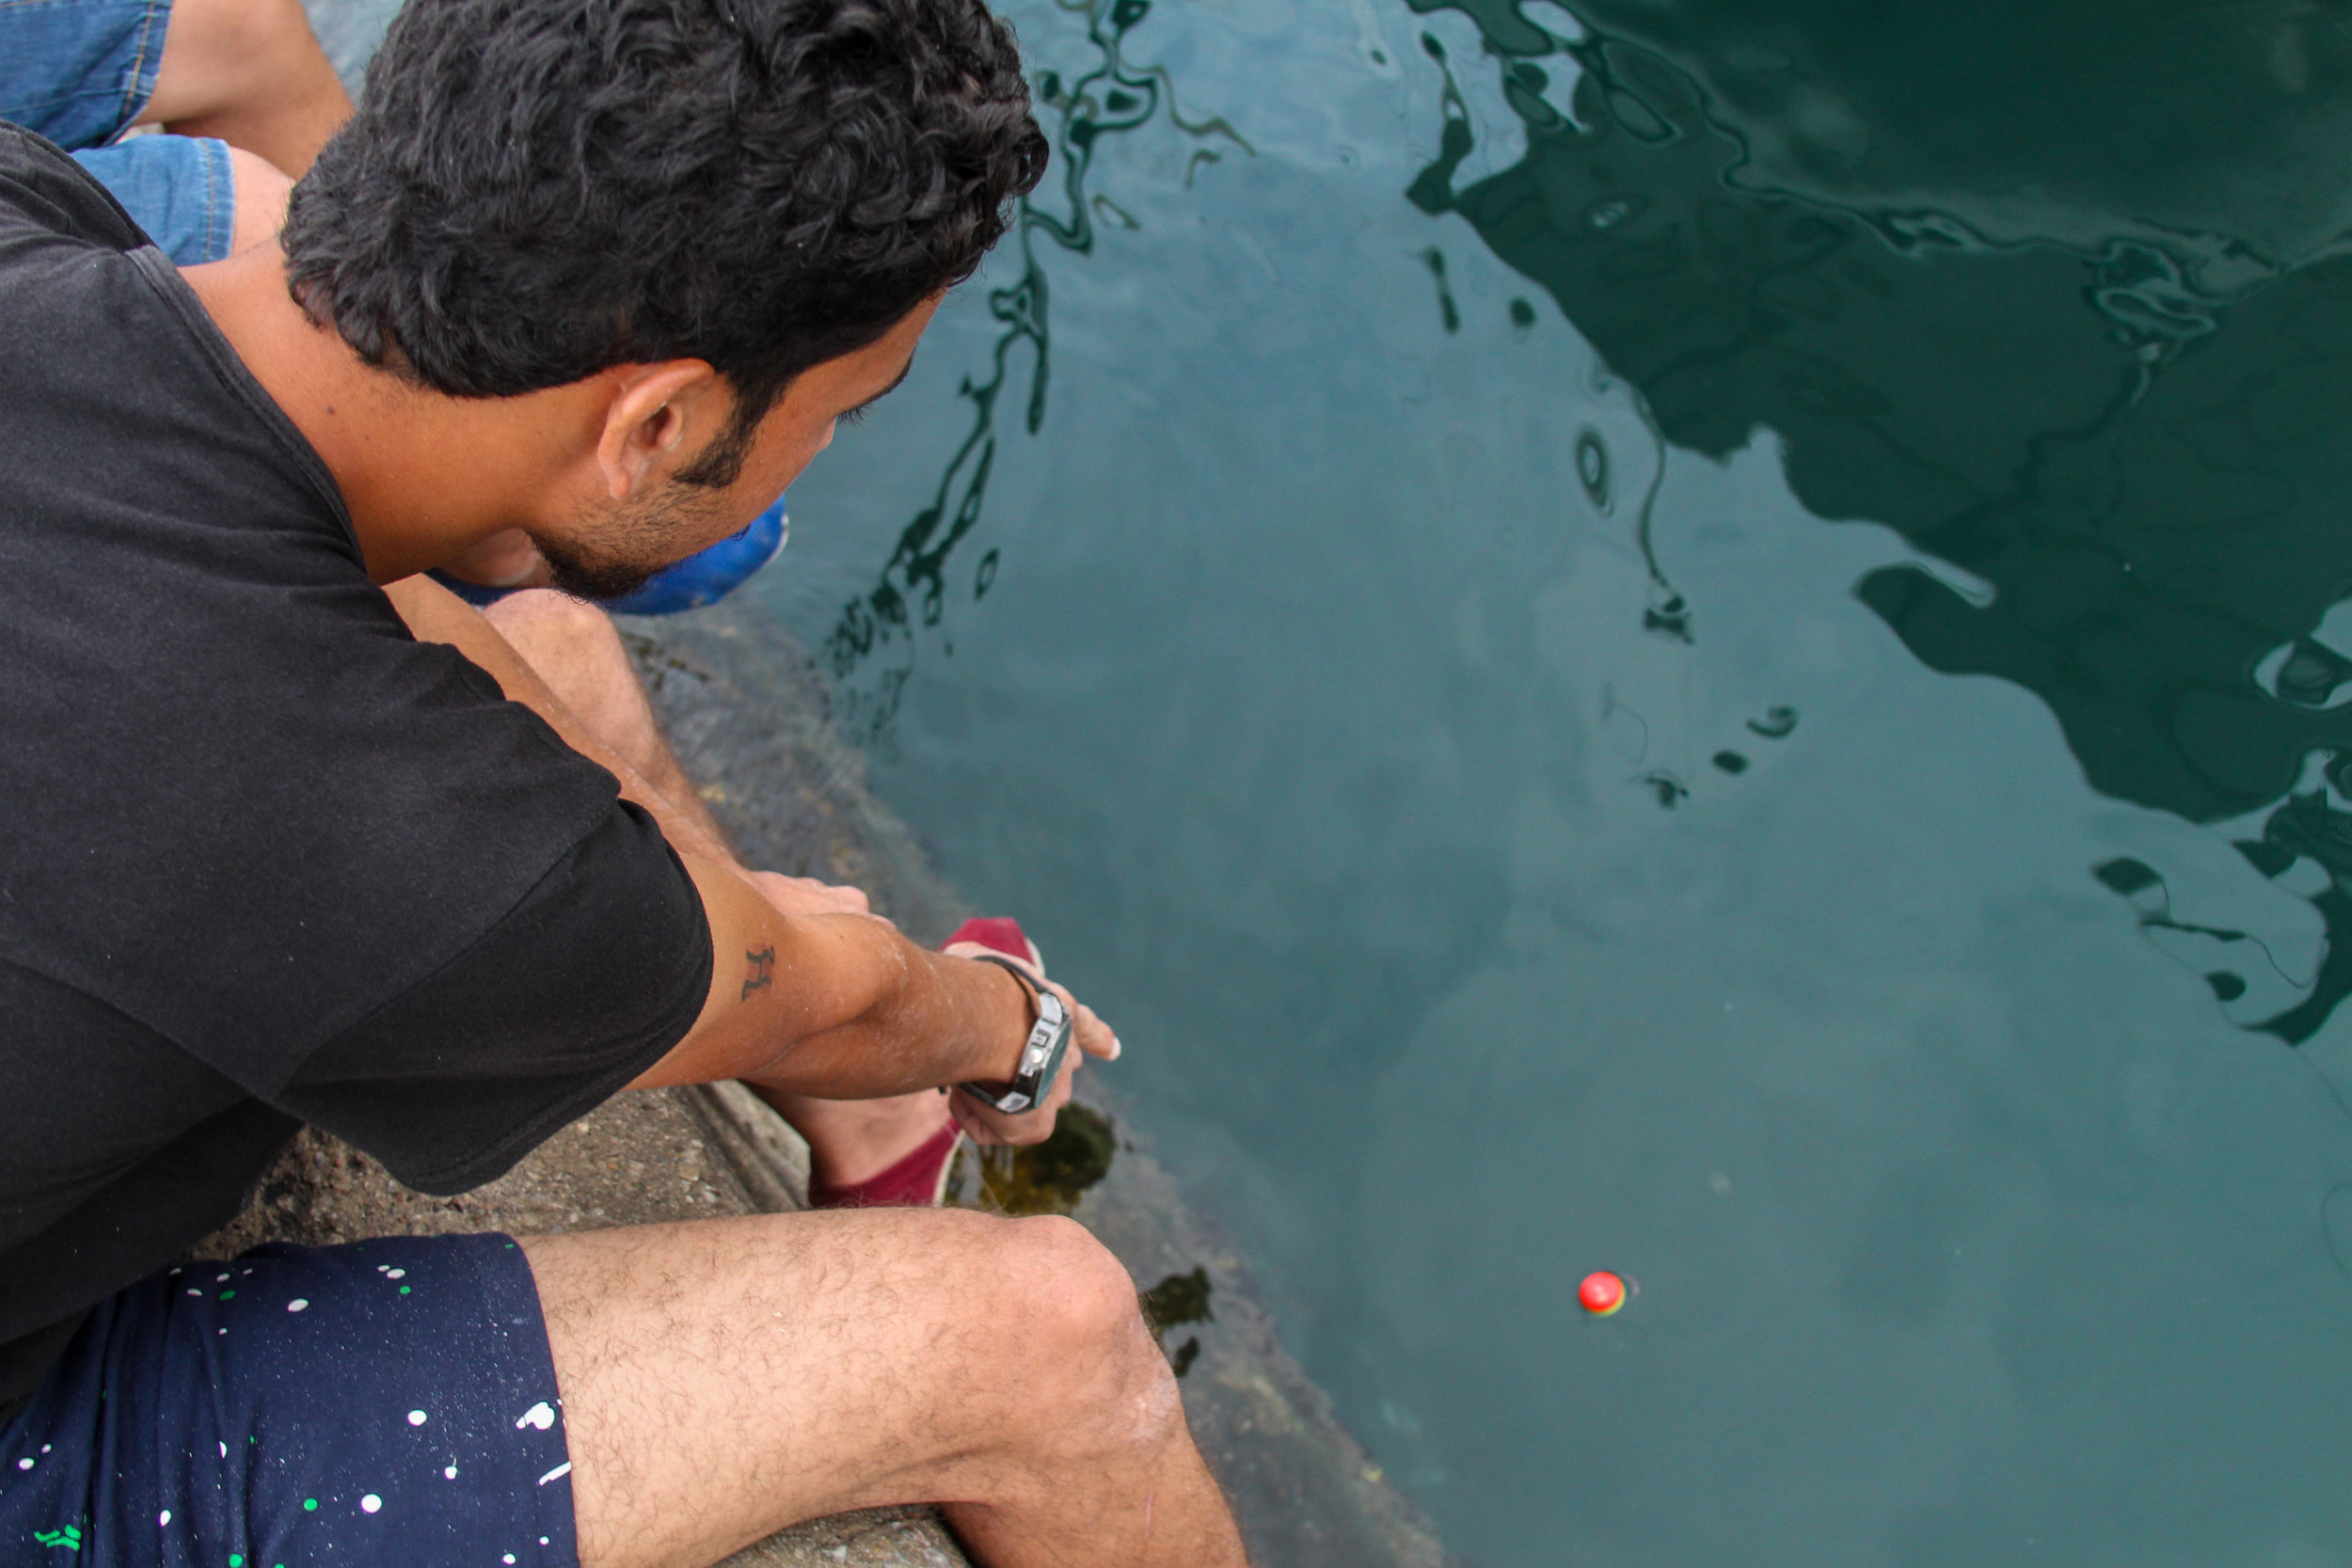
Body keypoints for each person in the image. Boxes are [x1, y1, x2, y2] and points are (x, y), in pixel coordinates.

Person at [0, 0, 1250, 1563]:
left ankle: (859, 1138)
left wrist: (692, 922)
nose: (830, 445)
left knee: (560, 663)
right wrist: (1012, 1026)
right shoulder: (402, 838)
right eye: (839, 411)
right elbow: (848, 1007)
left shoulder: (30, 204)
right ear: (658, 422)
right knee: (1051, 1341)